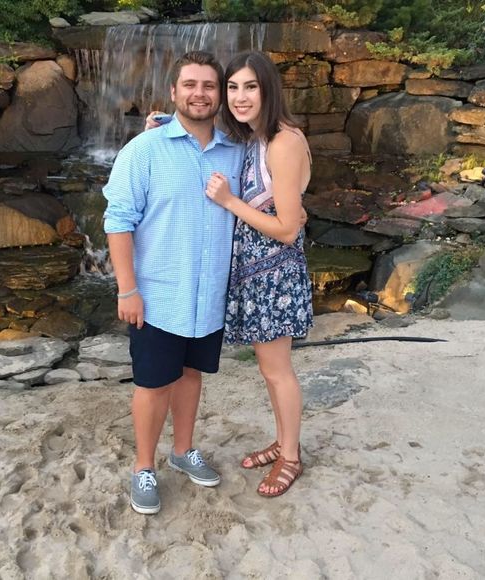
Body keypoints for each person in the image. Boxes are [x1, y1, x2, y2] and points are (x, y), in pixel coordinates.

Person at [102, 51, 246, 515]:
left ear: (219, 94)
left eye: (209, 85)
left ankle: (183, 451)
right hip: (158, 295)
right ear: (173, 91)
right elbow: (118, 221)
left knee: (190, 375)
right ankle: (144, 467)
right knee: (152, 384)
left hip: (208, 294)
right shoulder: (143, 150)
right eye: (190, 84)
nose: (199, 94)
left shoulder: (237, 150)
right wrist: (127, 289)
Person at [204, 51, 314, 498]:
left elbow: (287, 229)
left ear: (268, 89)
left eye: (250, 86)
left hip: (274, 276)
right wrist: (161, 123)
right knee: (270, 369)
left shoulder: (284, 142)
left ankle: (291, 457)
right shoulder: (256, 137)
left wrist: (229, 202)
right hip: (256, 271)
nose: (240, 97)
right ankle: (284, 442)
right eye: (232, 87)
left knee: (277, 370)